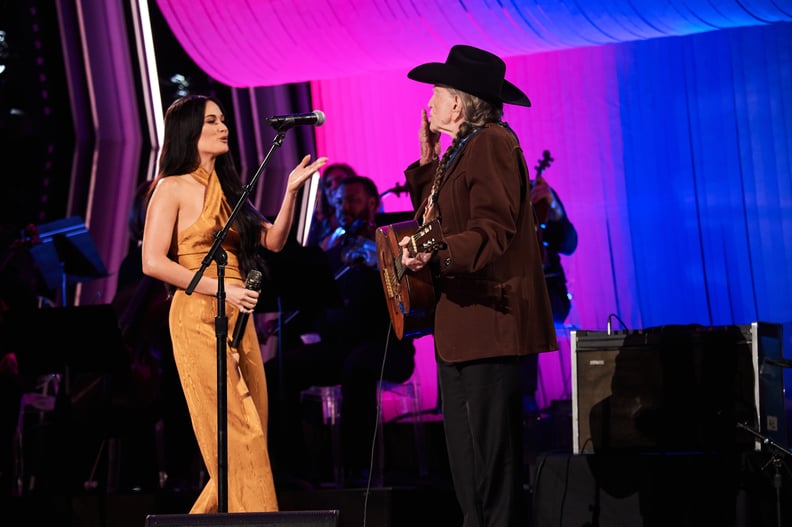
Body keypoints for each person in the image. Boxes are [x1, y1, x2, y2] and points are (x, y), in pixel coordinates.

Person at [141, 94, 327, 513]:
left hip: (237, 317)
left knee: (250, 430)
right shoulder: (171, 187)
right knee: (237, 434)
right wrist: (219, 288)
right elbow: (152, 262)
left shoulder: (227, 190)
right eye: (212, 121)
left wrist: (291, 193)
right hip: (197, 317)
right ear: (189, 130)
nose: (224, 127)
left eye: (224, 120)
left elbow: (273, 240)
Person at [399, 45, 558, 526]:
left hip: (489, 322)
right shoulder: (459, 150)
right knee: (470, 470)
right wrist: (427, 160)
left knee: (492, 468)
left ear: (458, 103)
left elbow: (492, 227)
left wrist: (440, 254)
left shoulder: (491, 141)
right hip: (461, 327)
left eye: (436, 93)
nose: (428, 104)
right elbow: (435, 220)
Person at [265, 175, 415, 487]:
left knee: (357, 367)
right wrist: (284, 321)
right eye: (340, 201)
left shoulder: (388, 243)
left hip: (387, 345)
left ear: (371, 203)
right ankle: (293, 467)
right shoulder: (332, 247)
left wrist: (380, 263)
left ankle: (359, 469)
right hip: (342, 346)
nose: (344, 208)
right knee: (277, 370)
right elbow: (319, 300)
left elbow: (405, 297)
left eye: (352, 201)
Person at [522, 174, 578, 412]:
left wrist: (552, 206)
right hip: (517, 294)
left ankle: (525, 396)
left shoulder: (541, 197)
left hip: (550, 295)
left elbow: (568, 244)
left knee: (526, 311)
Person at [305, 162, 357, 247]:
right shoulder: (318, 227)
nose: (334, 186)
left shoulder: (363, 222)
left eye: (339, 180)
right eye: (328, 184)